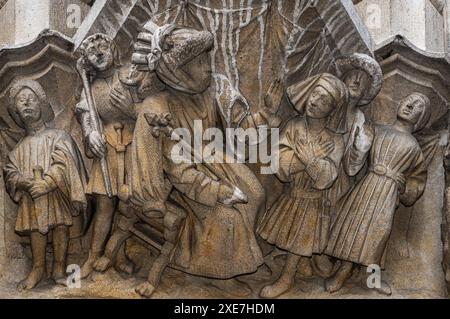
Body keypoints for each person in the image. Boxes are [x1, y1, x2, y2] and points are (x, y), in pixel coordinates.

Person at [129, 21, 283, 298]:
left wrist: (266, 115)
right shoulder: (158, 107)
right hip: (177, 183)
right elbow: (176, 169)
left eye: (207, 59)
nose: (207, 67)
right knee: (226, 218)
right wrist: (219, 191)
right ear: (177, 71)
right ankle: (219, 278)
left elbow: (241, 132)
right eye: (198, 62)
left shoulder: (213, 92)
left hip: (214, 160)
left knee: (256, 194)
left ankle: (245, 260)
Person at [325, 92, 430, 295]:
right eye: (408, 99)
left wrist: (403, 187)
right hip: (367, 186)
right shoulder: (378, 129)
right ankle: (342, 272)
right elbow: (353, 165)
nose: (409, 104)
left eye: (417, 105)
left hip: (388, 194)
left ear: (421, 118)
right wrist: (360, 147)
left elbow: (417, 180)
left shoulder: (414, 148)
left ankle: (372, 279)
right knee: (354, 226)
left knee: (379, 233)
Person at [257, 73, 348, 298]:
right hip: (291, 196)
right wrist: (309, 158)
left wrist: (310, 161)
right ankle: (300, 265)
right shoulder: (294, 126)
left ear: (332, 109)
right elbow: (279, 164)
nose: (316, 102)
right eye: (315, 94)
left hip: (313, 203)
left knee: (299, 239)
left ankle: (287, 278)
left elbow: (326, 178)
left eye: (324, 100)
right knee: (286, 234)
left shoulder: (335, 139)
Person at [4, 79, 88, 290]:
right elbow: (10, 172)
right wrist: (23, 182)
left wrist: (49, 182)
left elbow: (65, 162)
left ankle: (59, 268)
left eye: (30, 99)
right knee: (36, 228)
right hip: (32, 198)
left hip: (56, 194)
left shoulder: (59, 136)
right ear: (16, 112)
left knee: (61, 225)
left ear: (41, 103)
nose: (26, 104)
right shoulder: (18, 149)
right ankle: (38, 268)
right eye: (21, 102)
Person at [75, 33, 136, 278]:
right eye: (92, 51)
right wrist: (90, 134)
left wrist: (131, 110)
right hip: (107, 144)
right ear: (87, 61)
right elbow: (86, 115)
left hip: (134, 143)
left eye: (102, 46)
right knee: (105, 203)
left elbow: (152, 105)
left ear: (113, 48)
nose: (99, 52)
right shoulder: (90, 88)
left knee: (129, 202)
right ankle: (93, 255)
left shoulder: (130, 74)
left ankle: (117, 254)